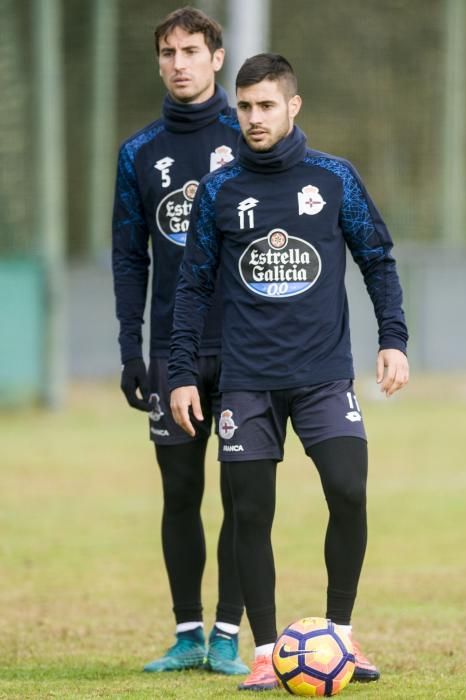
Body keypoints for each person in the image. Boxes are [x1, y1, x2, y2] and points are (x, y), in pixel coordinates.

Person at [169, 53, 409, 691]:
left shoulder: (332, 178)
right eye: (244, 107)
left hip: (324, 373)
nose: (252, 118)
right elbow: (192, 287)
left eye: (266, 106)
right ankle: (268, 652)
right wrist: (183, 371)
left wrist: (394, 340)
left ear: (293, 105)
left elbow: (377, 260)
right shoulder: (221, 188)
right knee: (250, 515)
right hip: (246, 381)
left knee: (349, 488)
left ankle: (339, 635)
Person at [111, 7, 249, 675]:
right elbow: (128, 257)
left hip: (250, 348)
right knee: (179, 491)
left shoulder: (248, 134)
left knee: (242, 494)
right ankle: (188, 632)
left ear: (217, 57)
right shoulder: (138, 153)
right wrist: (129, 351)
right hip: (174, 351)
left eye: (191, 50)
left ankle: (229, 634)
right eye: (167, 52)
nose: (179, 63)